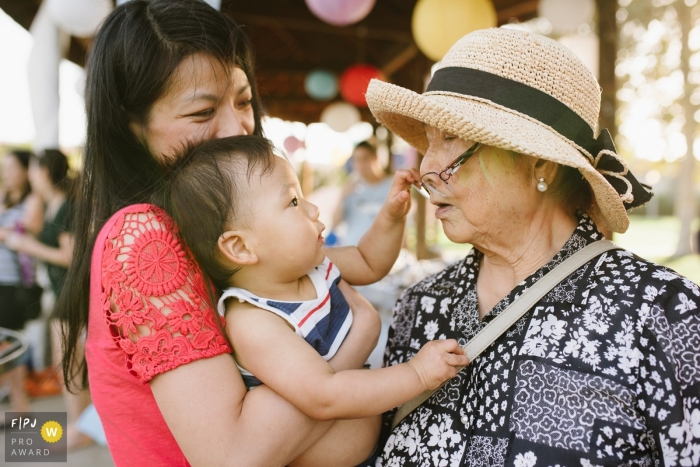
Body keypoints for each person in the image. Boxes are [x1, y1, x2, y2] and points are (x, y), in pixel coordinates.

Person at [57, 1, 393, 465]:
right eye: (201, 113)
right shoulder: (145, 237)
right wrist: (357, 336)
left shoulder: (210, 227)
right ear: (130, 124)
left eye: (243, 101)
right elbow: (232, 454)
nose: (239, 130)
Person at [365, 28, 700, 466]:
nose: (427, 167)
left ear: (538, 163)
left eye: (450, 138)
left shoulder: (664, 315)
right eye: (428, 141)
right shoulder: (422, 306)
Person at [159, 135, 469, 465]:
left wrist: (391, 218)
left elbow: (369, 260)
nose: (313, 208)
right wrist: (417, 375)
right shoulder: (254, 320)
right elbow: (325, 395)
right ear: (240, 248)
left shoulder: (316, 265)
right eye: (293, 202)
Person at [2, 149, 92, 449]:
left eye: (32, 170)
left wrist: (27, 245)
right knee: (69, 364)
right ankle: (84, 424)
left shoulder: (66, 207)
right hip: (61, 292)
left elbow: (70, 256)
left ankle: (82, 429)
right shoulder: (54, 205)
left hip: (71, 292)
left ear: (42, 173)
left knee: (68, 364)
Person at [0, 149, 43, 415]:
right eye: (4, 167)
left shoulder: (33, 200)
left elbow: (30, 228)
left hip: (14, 283)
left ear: (26, 170)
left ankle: (20, 408)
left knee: (9, 345)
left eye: (12, 167)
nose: (6, 173)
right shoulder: (5, 198)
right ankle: (17, 405)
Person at [333, 141, 394, 247]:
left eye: (365, 159)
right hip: (353, 251)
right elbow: (335, 223)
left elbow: (402, 223)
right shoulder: (350, 188)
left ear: (375, 158)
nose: (360, 165)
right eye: (356, 160)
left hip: (382, 252)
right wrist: (343, 196)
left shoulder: (392, 186)